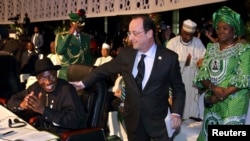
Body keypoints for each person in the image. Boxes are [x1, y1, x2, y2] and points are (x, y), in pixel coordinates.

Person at [70, 14, 186, 141]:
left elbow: (179, 89)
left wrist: (176, 113)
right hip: (134, 121)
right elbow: (103, 70)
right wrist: (83, 83)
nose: (130, 38)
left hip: (159, 122)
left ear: (149, 34)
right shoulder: (126, 54)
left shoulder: (169, 58)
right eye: (129, 33)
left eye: (135, 33)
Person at [193, 6, 250, 141]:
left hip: (234, 100)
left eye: (225, 28)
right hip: (213, 98)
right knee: (208, 134)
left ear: (234, 30)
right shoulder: (212, 48)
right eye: (218, 28)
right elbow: (203, 74)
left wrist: (223, 93)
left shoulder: (243, 49)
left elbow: (245, 76)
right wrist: (214, 89)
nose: (220, 31)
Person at [7, 57, 85, 135]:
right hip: (41, 132)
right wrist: (22, 105)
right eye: (43, 78)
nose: (48, 82)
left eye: (51, 76)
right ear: (38, 79)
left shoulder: (67, 90)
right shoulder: (36, 87)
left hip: (63, 136)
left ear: (56, 74)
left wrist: (43, 110)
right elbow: (12, 100)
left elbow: (74, 121)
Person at [167, 19, 206, 120]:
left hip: (192, 82)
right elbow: (167, 63)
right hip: (177, 81)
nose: (188, 37)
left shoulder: (197, 43)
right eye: (185, 34)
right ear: (181, 30)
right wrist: (185, 63)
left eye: (191, 35)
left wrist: (198, 63)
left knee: (192, 106)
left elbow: (205, 60)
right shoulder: (173, 43)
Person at [56, 9, 94, 80]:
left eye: (81, 23)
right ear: (71, 24)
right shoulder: (62, 36)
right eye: (77, 23)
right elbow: (60, 51)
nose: (79, 26)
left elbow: (87, 57)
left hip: (81, 74)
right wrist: (69, 35)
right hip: (67, 74)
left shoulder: (86, 38)